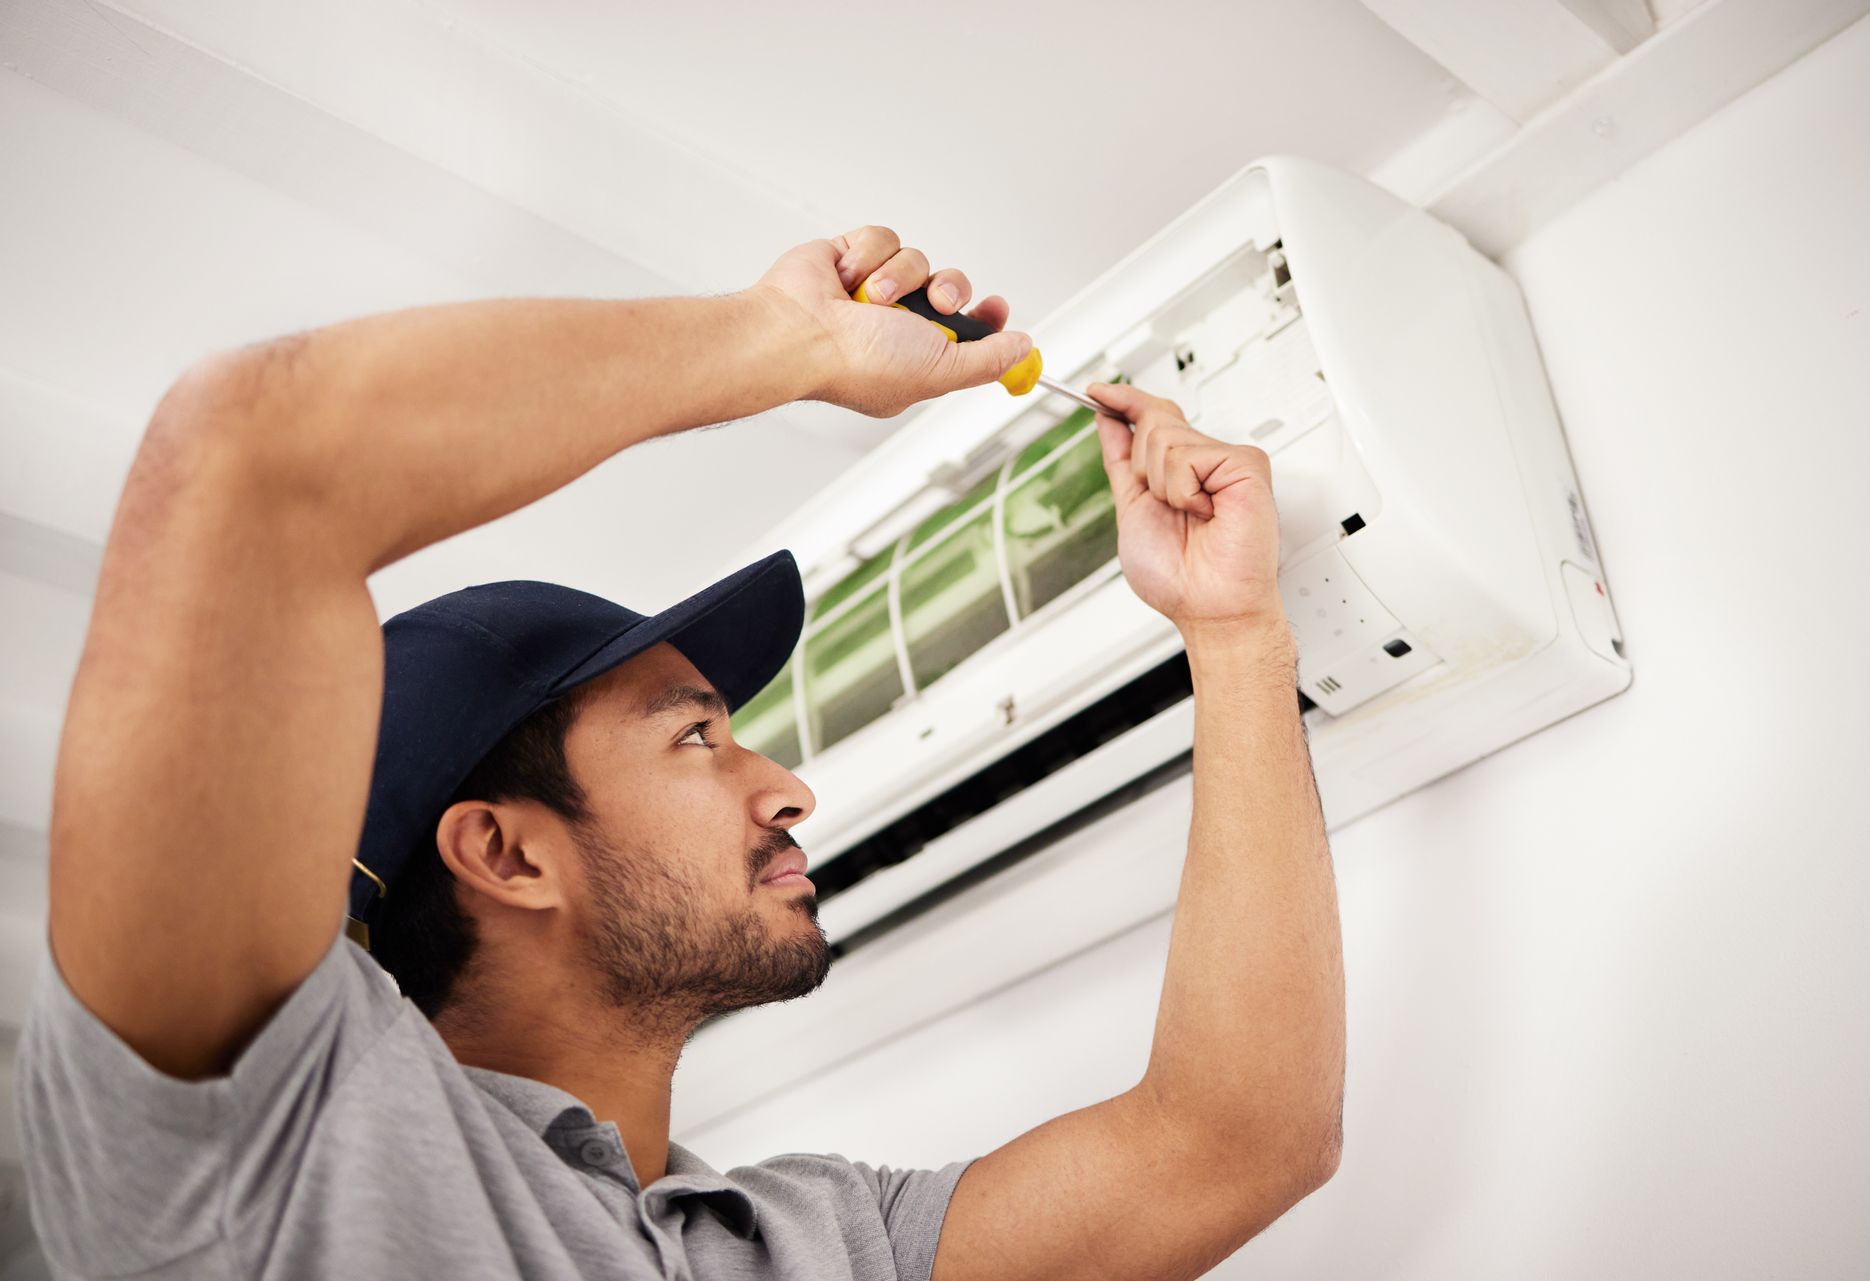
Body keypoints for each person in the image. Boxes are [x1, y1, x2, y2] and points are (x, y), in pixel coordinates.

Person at [14, 225, 1346, 1280]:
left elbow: (1234, 1141)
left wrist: (1232, 634)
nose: (790, 788)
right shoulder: (266, 1140)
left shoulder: (806, 1246)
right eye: (698, 735)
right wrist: (787, 339)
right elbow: (249, 458)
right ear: (506, 852)